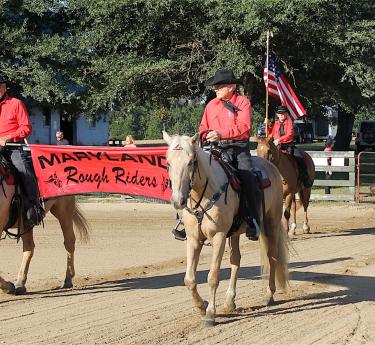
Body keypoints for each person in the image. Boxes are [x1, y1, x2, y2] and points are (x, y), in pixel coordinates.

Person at [173, 69, 261, 241]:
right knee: (192, 173)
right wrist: (205, 135)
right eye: (215, 87)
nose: (215, 89)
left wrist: (221, 133)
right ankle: (186, 220)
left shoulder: (243, 103)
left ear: (231, 86)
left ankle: (253, 220)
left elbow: (244, 127)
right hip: (214, 148)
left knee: (248, 177)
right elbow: (202, 128)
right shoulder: (211, 105)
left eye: (219, 86)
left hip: (237, 148)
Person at [0, 73, 44, 227]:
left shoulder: (15, 103)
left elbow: (26, 127)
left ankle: (33, 207)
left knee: (24, 169)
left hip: (12, 148)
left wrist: (8, 137)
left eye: (1, 85)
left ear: (5, 88)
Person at [266, 105, 312, 187]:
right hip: (277, 147)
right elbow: (270, 134)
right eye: (279, 113)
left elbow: (289, 135)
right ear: (277, 115)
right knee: (268, 158)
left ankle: (305, 178)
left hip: (288, 145)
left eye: (283, 113)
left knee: (299, 158)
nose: (281, 115)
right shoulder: (276, 124)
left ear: (286, 114)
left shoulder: (289, 123)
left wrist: (279, 140)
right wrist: (268, 126)